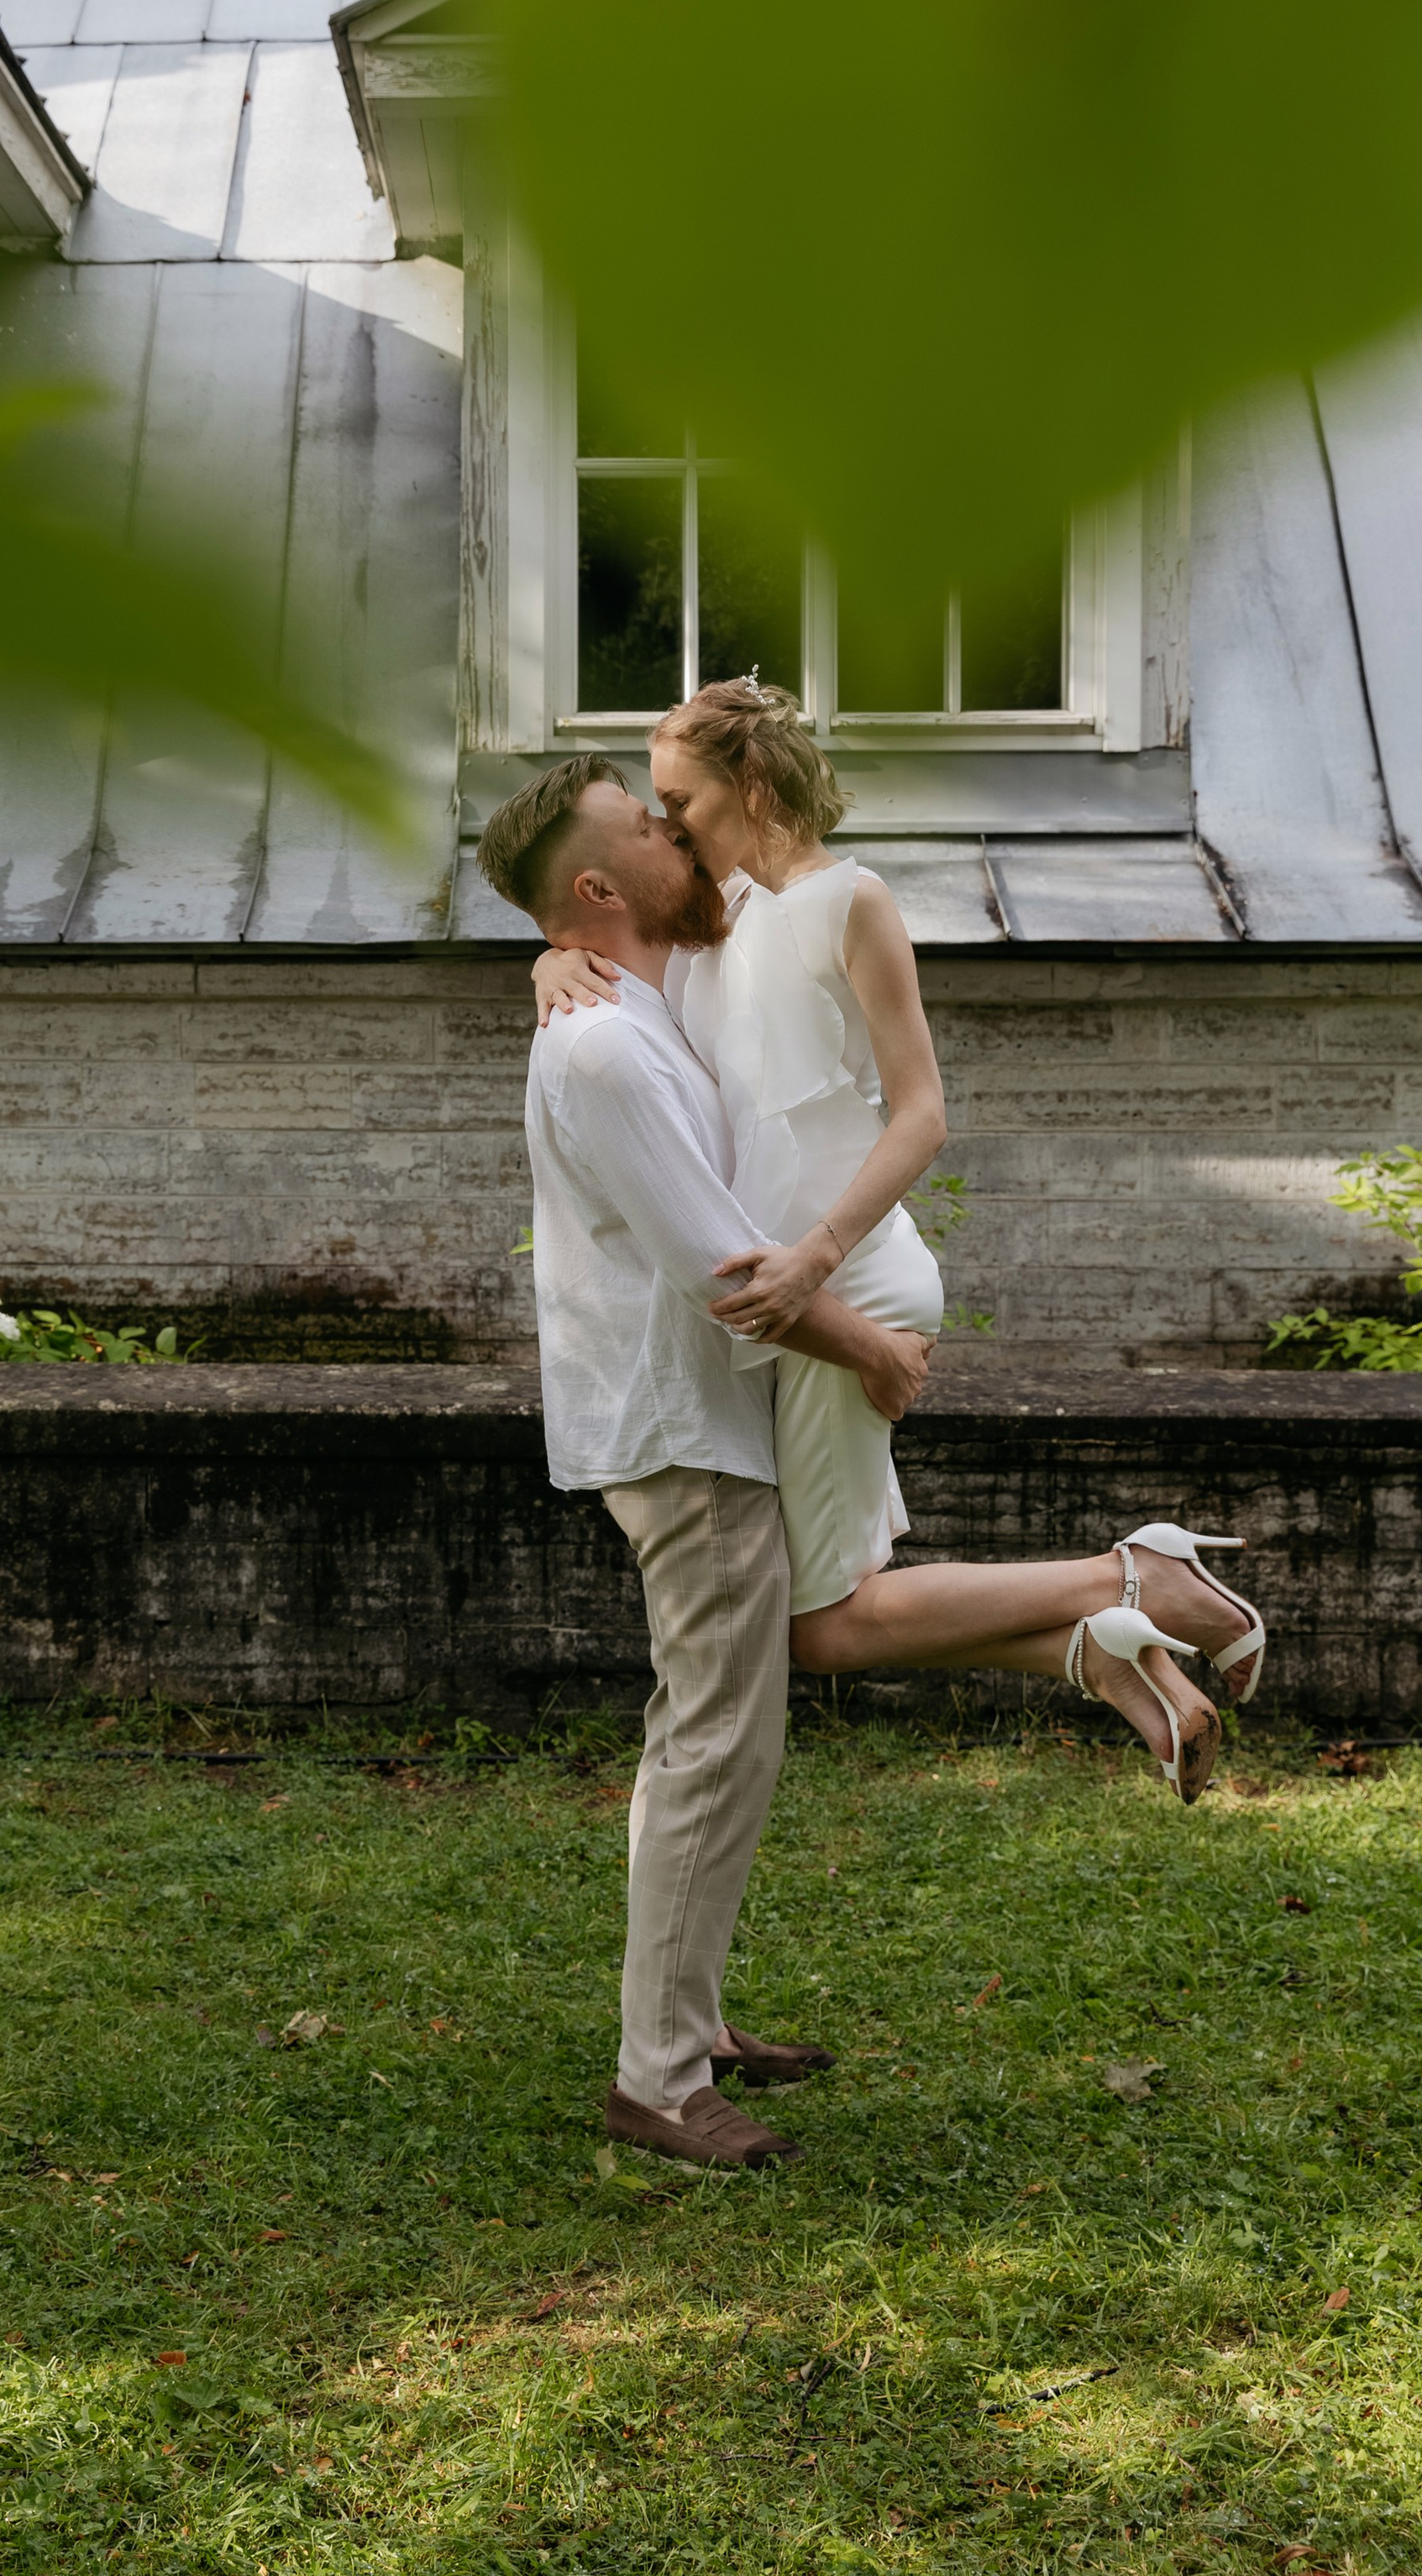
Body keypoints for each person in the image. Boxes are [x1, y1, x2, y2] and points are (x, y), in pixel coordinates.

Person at [532, 678, 1267, 1807]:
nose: (669, 827)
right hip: (791, 1304)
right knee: (827, 1613)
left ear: (753, 782)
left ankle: (1135, 1574)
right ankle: (1111, 1645)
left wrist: (817, 1263)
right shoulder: (716, 914)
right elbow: (601, 935)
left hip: (848, 1281)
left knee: (827, 1624)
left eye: (681, 802)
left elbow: (921, 1113)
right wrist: (546, 959)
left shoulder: (852, 902)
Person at [475, 751, 933, 2174]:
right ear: (598, 885)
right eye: (647, 823)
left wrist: (545, 954)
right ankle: (660, 2081)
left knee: (713, 1734)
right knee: (715, 1740)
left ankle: (689, 2022)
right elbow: (727, 1271)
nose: (678, 828)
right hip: (682, 1433)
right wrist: (872, 1350)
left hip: (701, 1422)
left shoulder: (636, 1002)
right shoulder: (604, 1046)